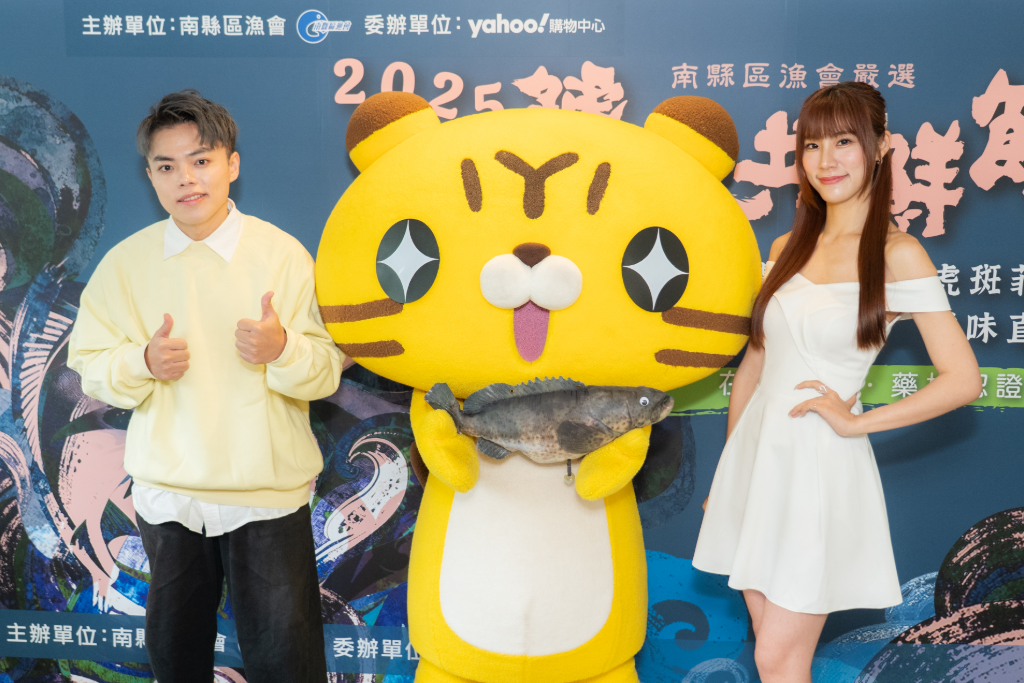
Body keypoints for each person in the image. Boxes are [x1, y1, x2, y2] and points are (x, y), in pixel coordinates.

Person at [692, 82, 981, 683]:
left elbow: (964, 380)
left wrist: (856, 422)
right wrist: (729, 474)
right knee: (771, 653)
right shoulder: (786, 246)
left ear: (882, 146)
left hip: (818, 470)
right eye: (812, 145)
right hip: (756, 466)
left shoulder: (899, 254)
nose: (826, 160)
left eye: (844, 142)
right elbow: (754, 367)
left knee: (777, 656)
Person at [68, 90, 344, 682]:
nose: (186, 179)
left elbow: (326, 369)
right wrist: (142, 360)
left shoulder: (283, 255)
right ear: (150, 176)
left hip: (266, 495)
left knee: (285, 658)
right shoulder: (126, 264)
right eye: (167, 166)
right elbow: (88, 365)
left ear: (231, 164)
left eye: (201, 161)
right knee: (176, 656)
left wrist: (282, 349)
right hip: (169, 496)